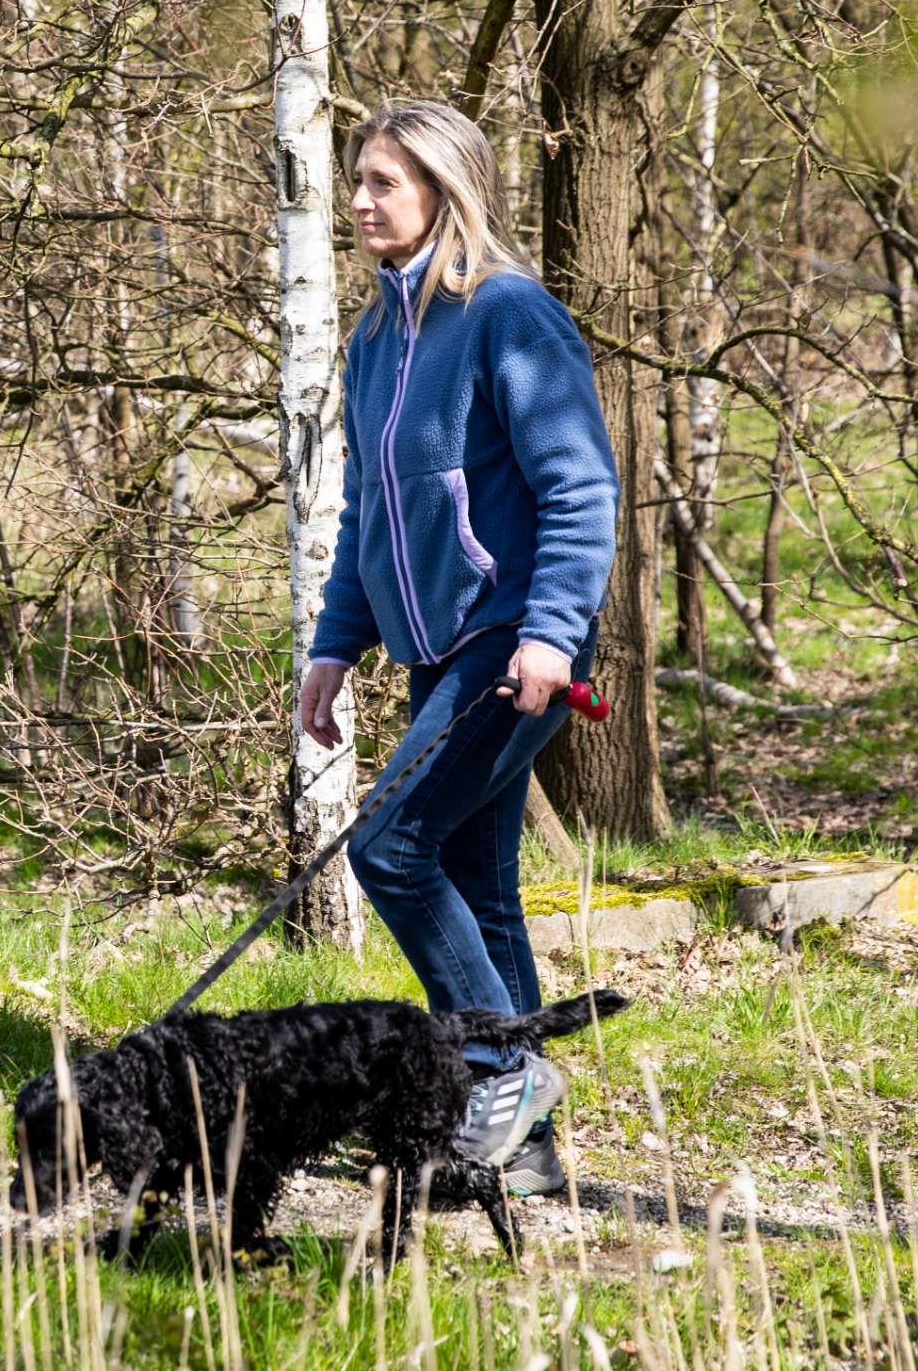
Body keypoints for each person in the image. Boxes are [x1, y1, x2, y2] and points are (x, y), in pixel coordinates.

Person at [297, 99, 619, 1197]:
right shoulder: (377, 337)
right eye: (356, 180)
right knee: (478, 882)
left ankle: (497, 1070)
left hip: (509, 639)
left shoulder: (507, 316)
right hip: (434, 646)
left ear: (444, 188)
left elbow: (579, 488)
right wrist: (334, 645)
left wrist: (548, 635)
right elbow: (365, 513)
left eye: (382, 181)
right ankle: (519, 1154)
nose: (359, 201)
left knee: (386, 845)